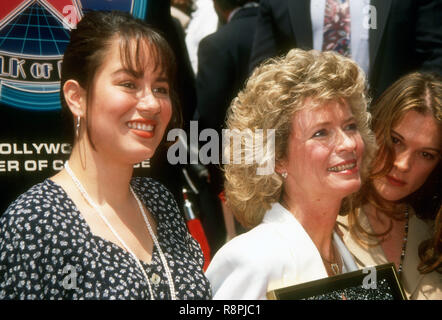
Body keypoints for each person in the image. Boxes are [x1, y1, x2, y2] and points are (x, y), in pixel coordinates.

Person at [0, 11, 211, 300]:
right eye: (128, 84)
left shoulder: (159, 200)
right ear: (77, 97)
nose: (151, 103)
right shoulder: (34, 222)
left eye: (160, 88)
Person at [205, 48, 377, 299]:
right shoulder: (253, 259)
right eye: (321, 132)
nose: (348, 143)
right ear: (278, 159)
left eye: (350, 126)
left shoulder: (345, 253)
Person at [337, 72, 442, 299]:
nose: (402, 164)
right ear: (372, 130)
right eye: (396, 140)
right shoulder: (325, 221)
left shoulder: (433, 234)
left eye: (426, 154)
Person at [249, 0, 442, 101]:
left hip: (387, 137)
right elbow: (263, 72)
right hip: (307, 136)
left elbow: (435, 57)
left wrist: (407, 112)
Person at [195, 0, 260, 248]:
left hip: (240, 169)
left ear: (218, 5)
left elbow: (211, 115)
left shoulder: (216, 44)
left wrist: (216, 172)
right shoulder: (286, 37)